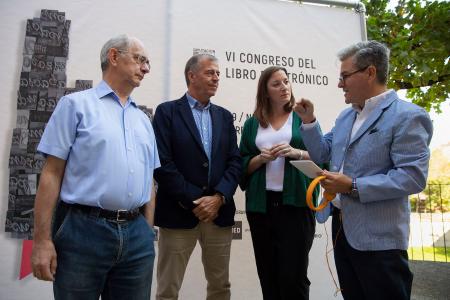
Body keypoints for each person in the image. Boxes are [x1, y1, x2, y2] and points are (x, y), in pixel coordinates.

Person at [294, 40, 433, 300]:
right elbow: (323, 153)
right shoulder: (347, 116)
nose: (339, 84)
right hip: (342, 231)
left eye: (345, 76)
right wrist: (310, 122)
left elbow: (412, 177)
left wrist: (353, 186)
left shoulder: (408, 116)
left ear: (370, 72)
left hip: (379, 240)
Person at [31, 34, 160, 300]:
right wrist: (42, 241)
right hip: (83, 233)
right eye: (139, 60)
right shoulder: (75, 106)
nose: (146, 68)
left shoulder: (144, 120)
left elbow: (149, 180)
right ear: (114, 57)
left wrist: (146, 231)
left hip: (137, 236)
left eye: (147, 62)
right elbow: (51, 173)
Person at [152, 54, 241, 300]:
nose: (216, 78)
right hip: (179, 214)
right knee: (168, 289)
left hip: (218, 214)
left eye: (218, 74)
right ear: (192, 76)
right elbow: (161, 163)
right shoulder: (167, 112)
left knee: (220, 288)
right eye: (210, 72)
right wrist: (198, 200)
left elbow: (235, 161)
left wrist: (219, 197)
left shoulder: (225, 116)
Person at [239, 66, 320, 300]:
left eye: (286, 81)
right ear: (265, 91)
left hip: (296, 206)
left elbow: (321, 155)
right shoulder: (252, 124)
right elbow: (242, 162)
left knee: (294, 278)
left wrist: (296, 152)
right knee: (268, 274)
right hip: (261, 208)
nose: (284, 87)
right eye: (276, 84)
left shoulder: (302, 118)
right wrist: (259, 159)